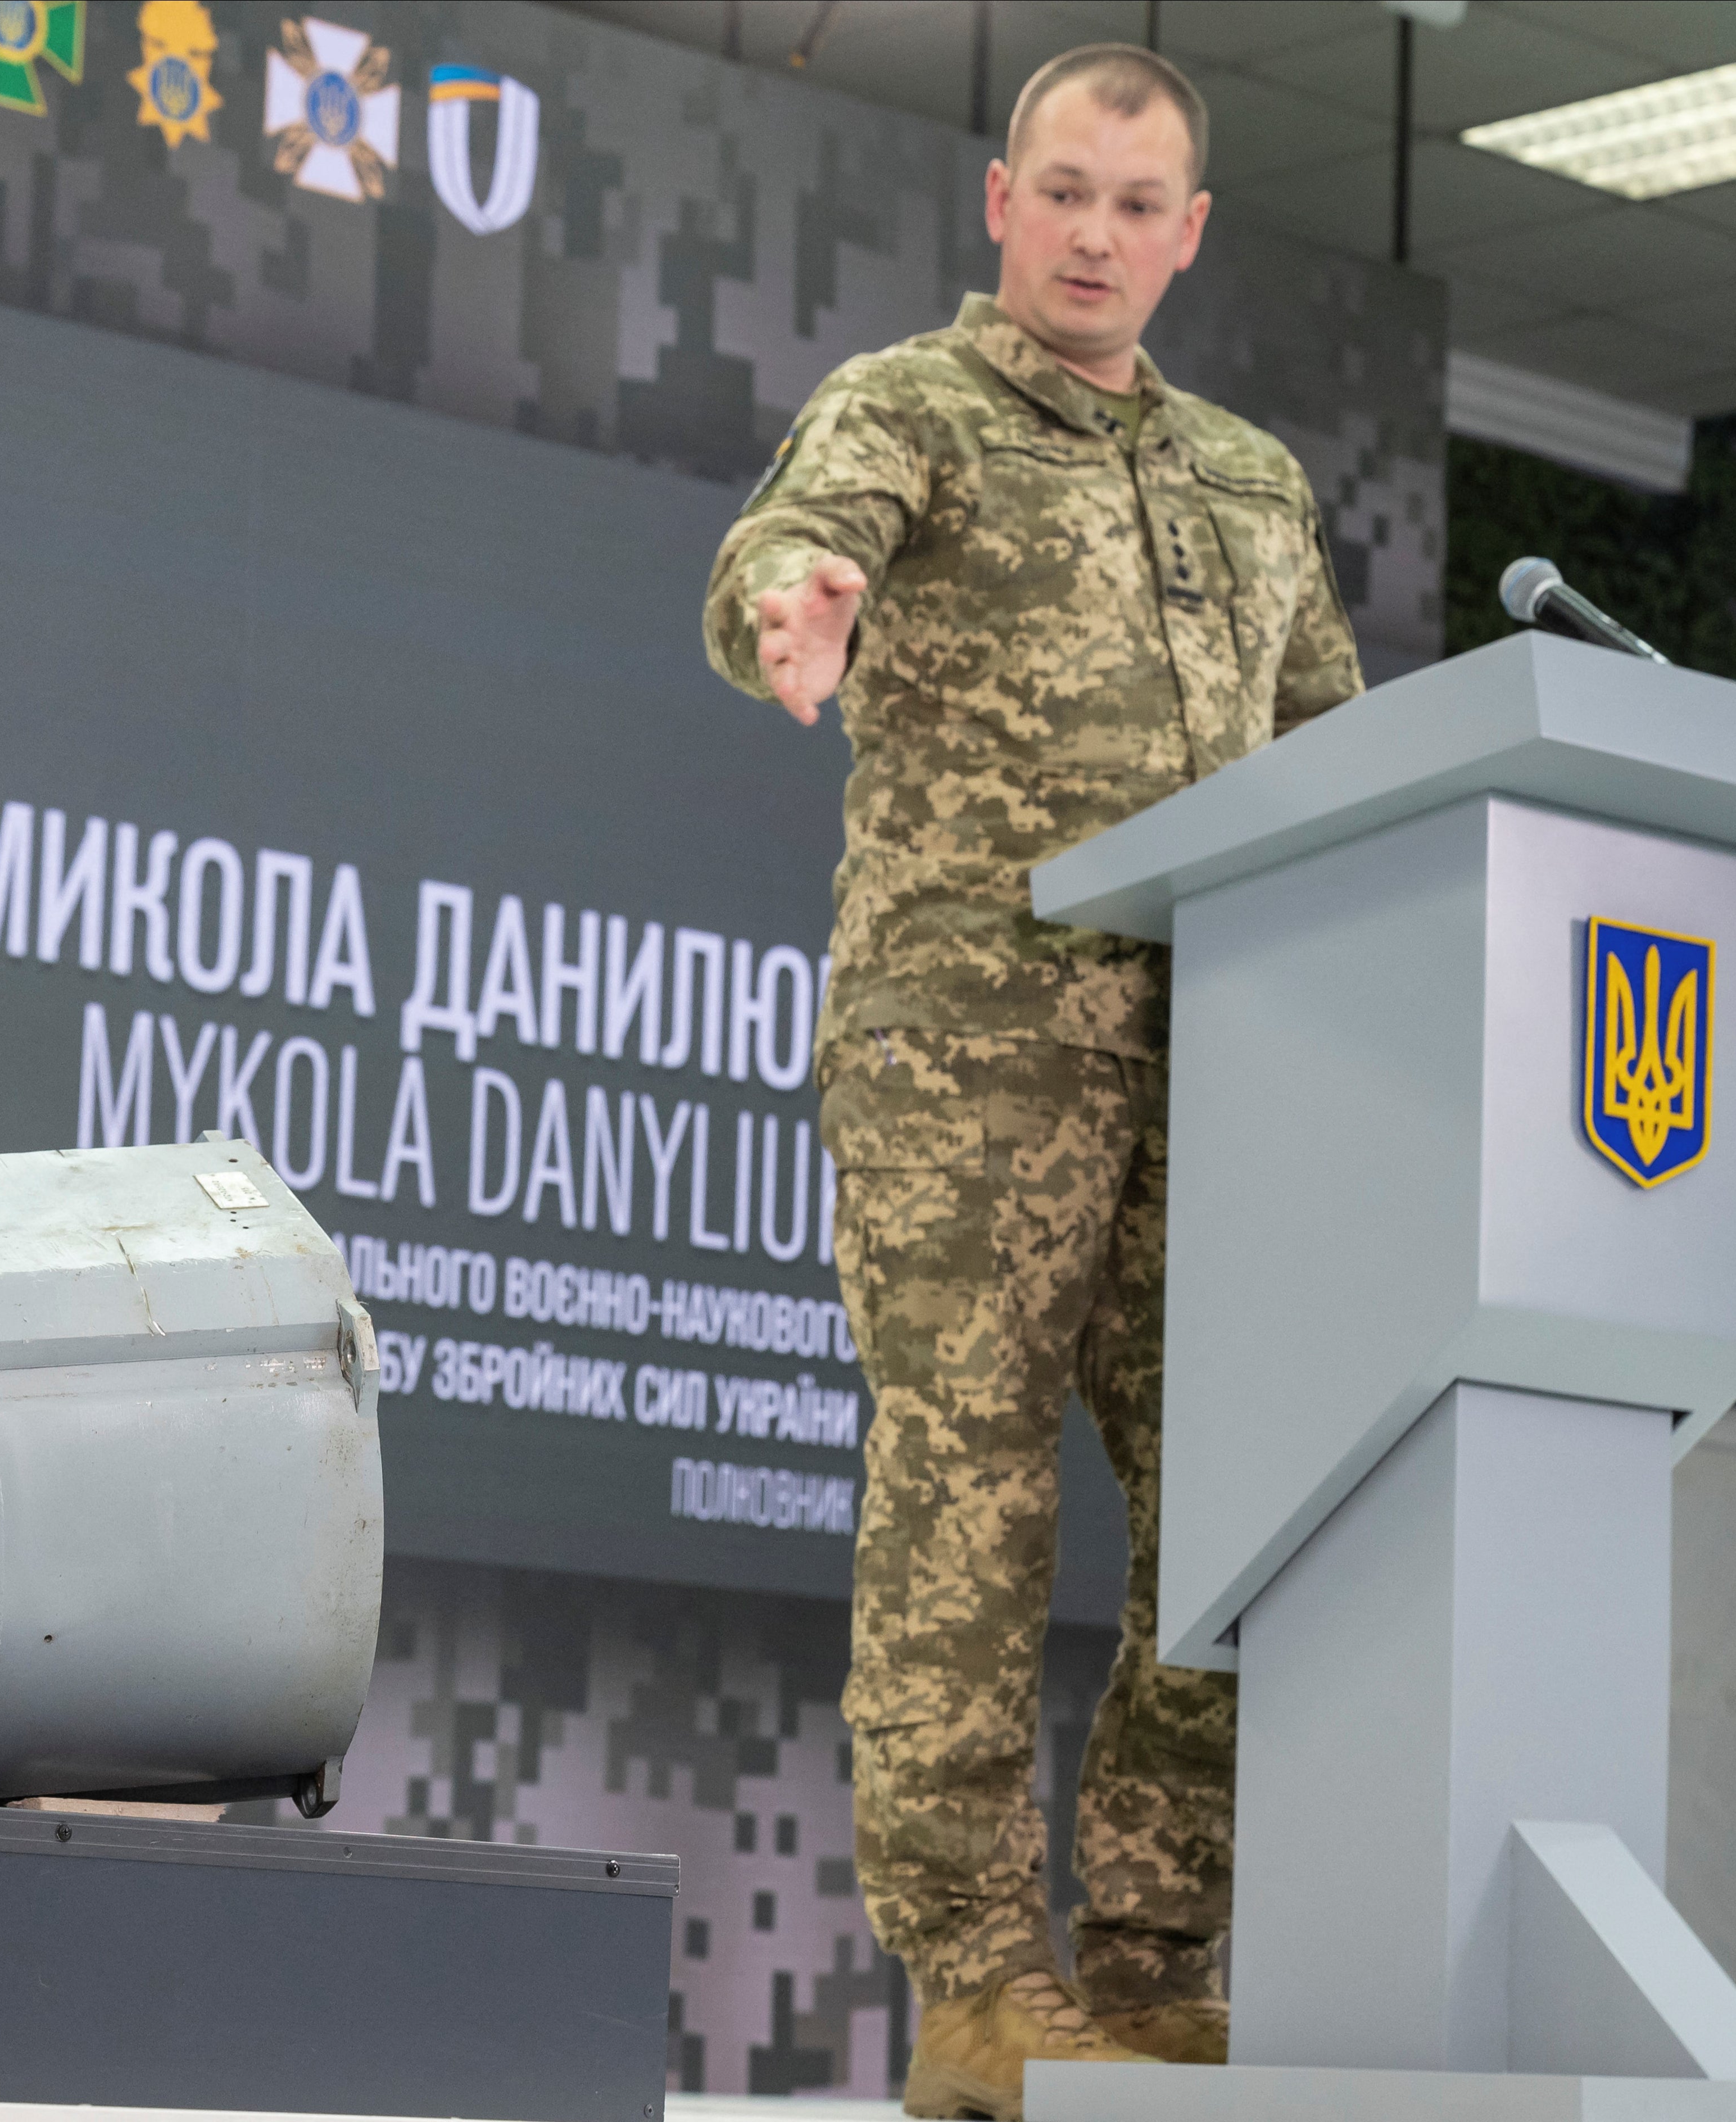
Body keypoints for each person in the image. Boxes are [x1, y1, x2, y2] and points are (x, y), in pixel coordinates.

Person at [701, 42, 1362, 2122]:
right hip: (973, 1051)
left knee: (1241, 1509)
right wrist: (791, 608)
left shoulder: (1261, 484)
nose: (1093, 235)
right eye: (1060, 192)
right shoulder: (914, 405)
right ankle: (983, 1984)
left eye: (1133, 204)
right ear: (1000, 203)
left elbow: (1347, 753)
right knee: (969, 1500)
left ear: (1189, 236)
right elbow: (791, 551)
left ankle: (1157, 1970)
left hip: (1225, 1062)